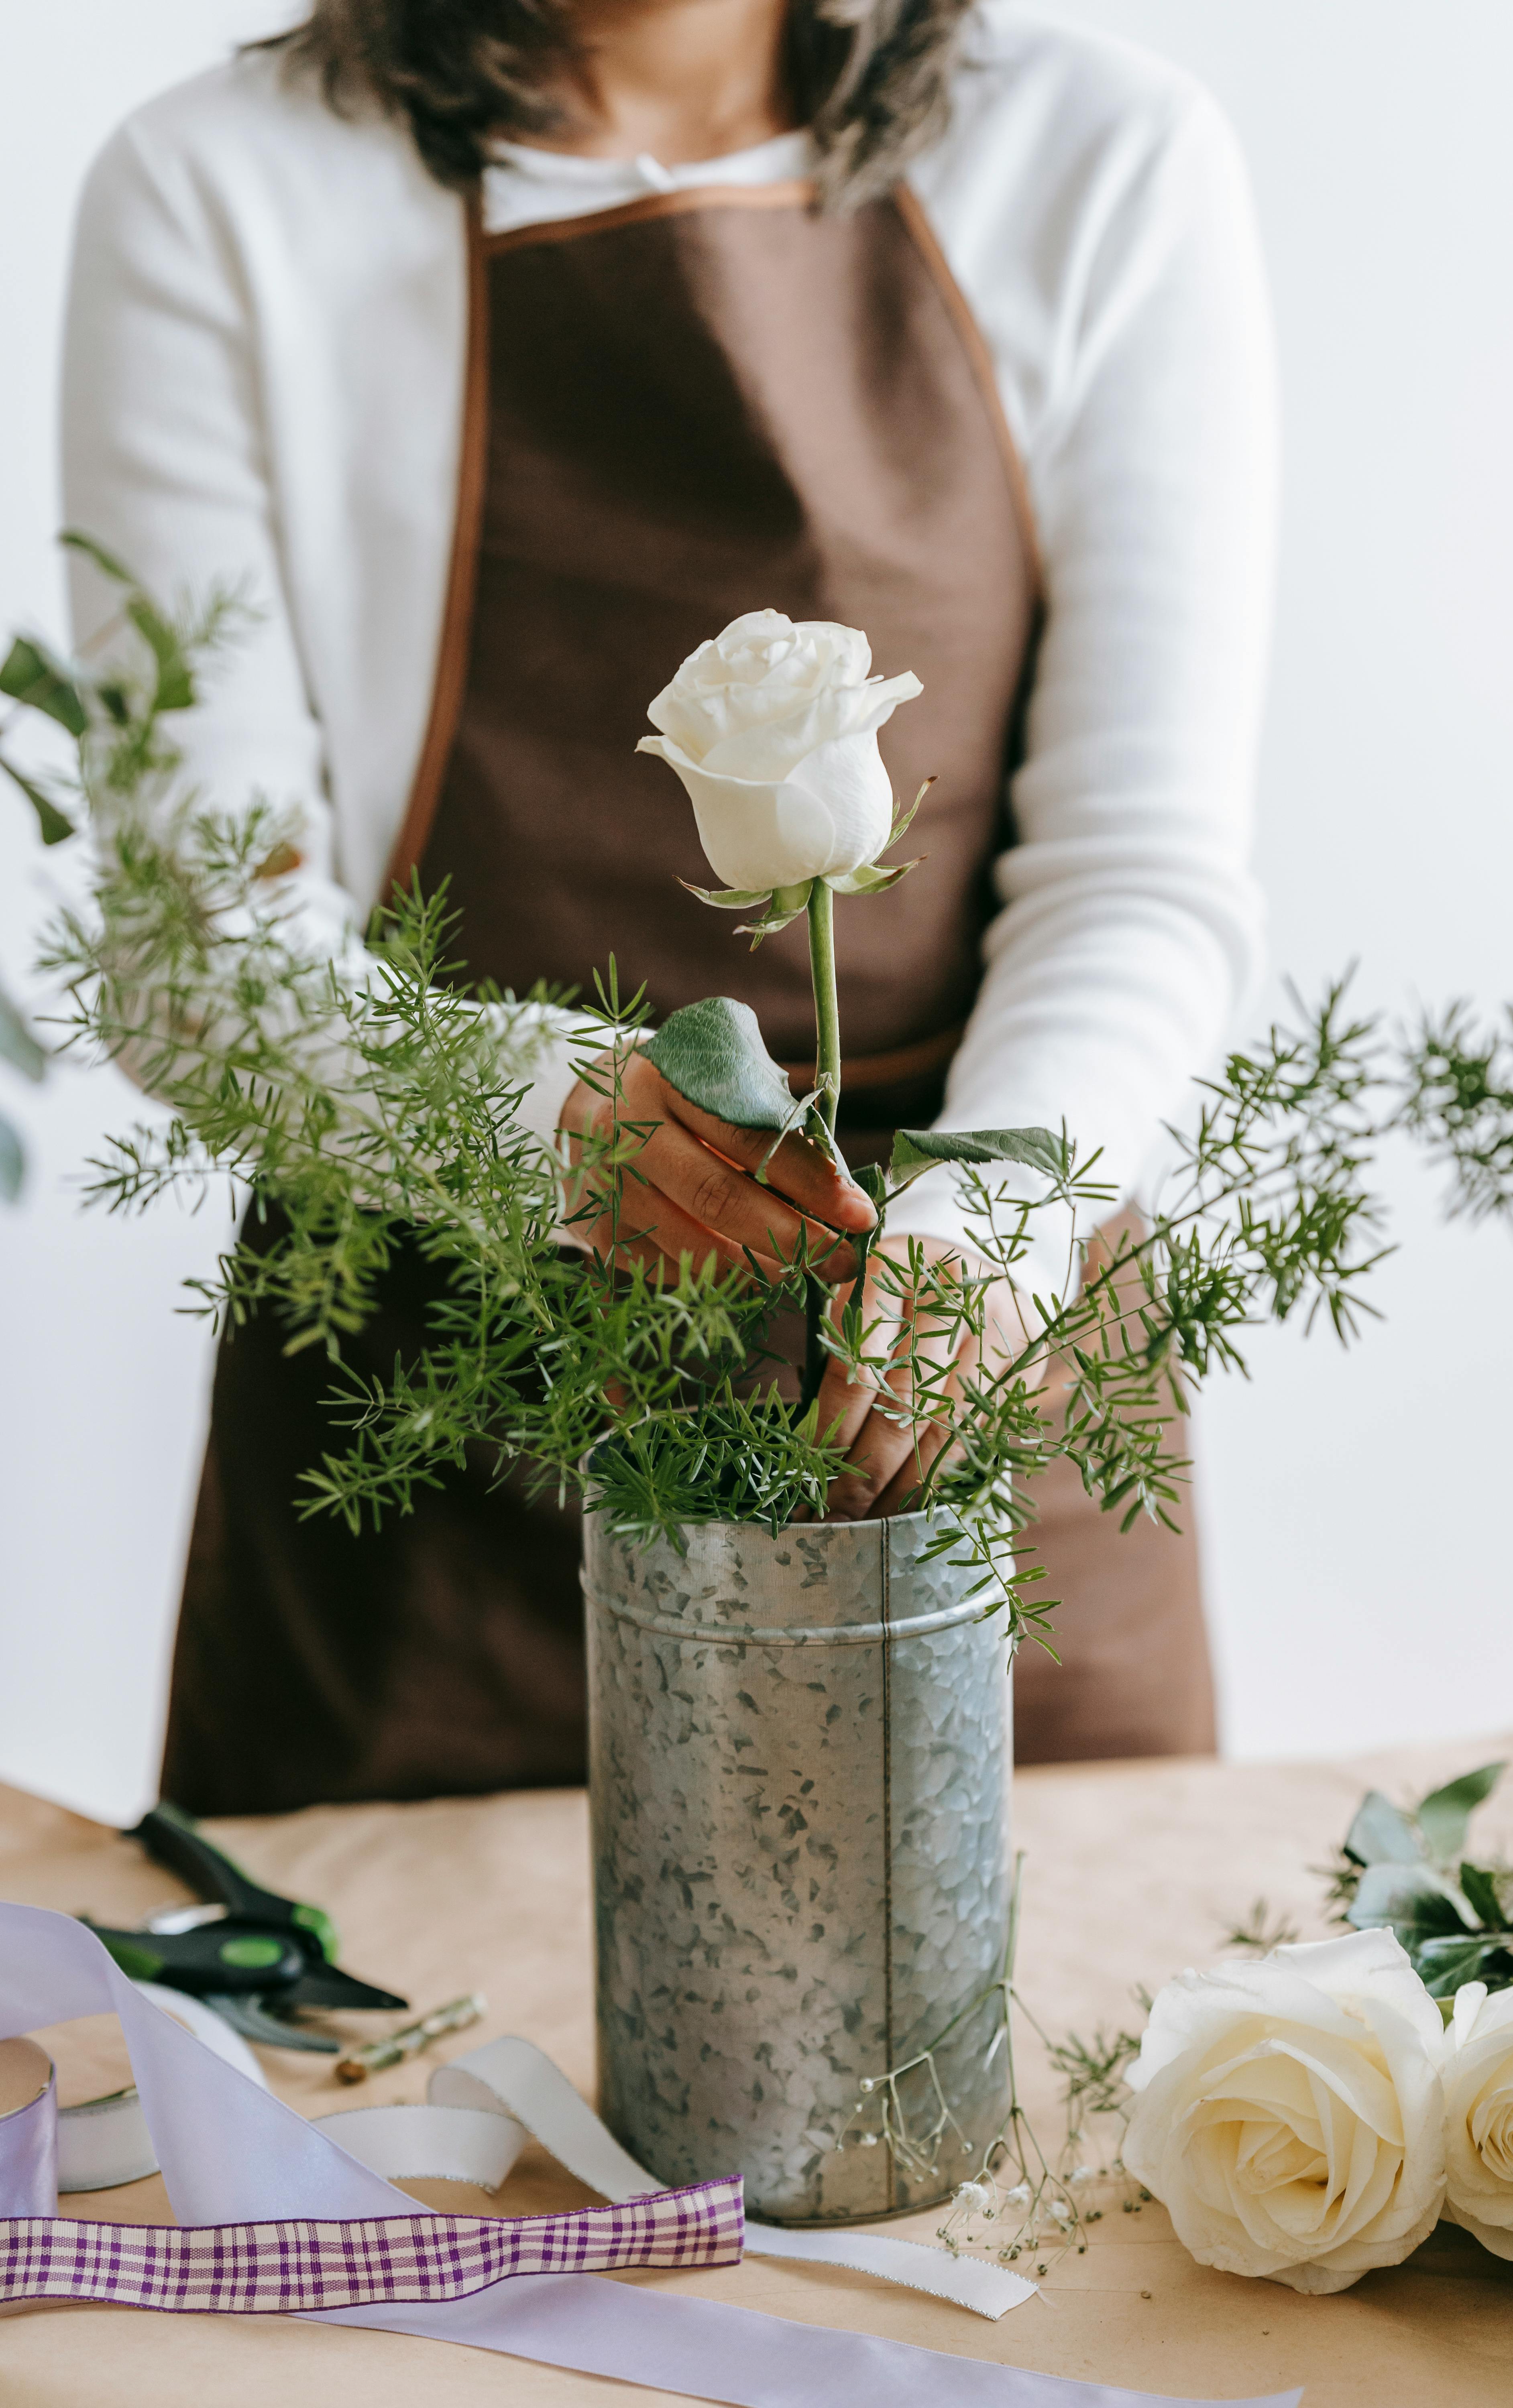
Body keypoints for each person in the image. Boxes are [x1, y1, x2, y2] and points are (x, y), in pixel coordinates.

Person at [62, 0, 1277, 1812]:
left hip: (974, 1388)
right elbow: (191, 953)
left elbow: (1139, 872)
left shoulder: (1100, 157)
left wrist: (992, 1226)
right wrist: (538, 1119)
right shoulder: (219, 190)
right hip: (440, 1442)